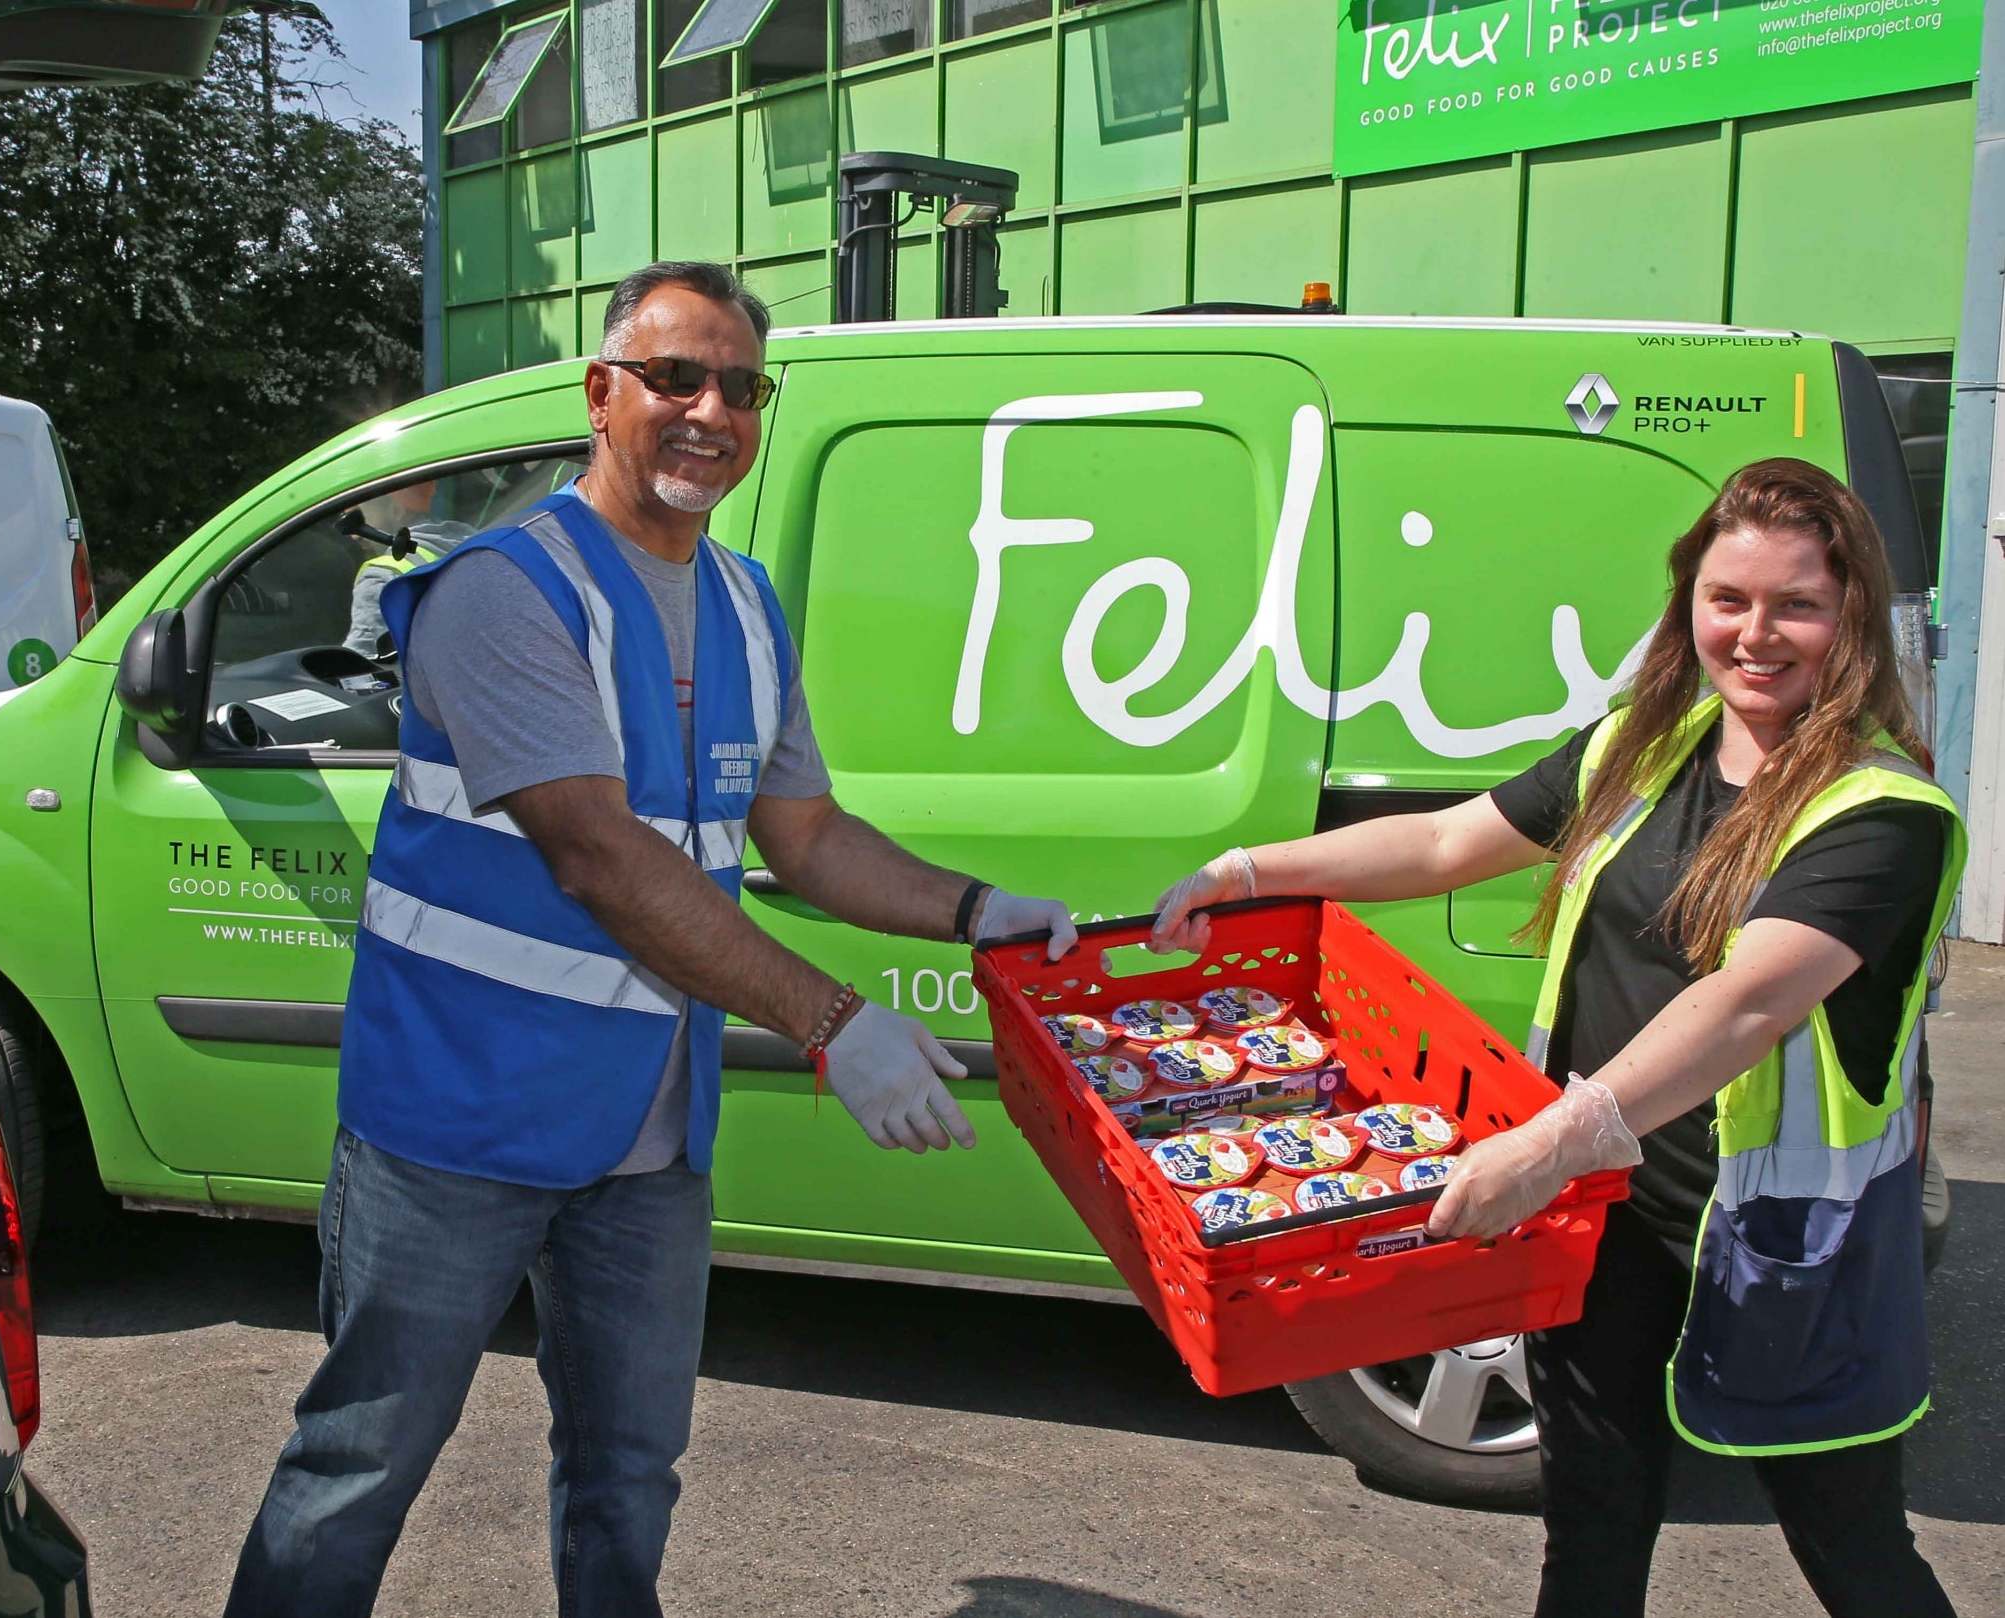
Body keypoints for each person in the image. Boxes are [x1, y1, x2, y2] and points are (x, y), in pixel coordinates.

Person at [226, 260, 1076, 1618]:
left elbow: (803, 835)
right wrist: (835, 1021)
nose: (711, 410)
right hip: (457, 1126)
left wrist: (975, 910)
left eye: (741, 385)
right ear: (601, 391)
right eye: (676, 376)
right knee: (358, 1457)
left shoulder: (744, 602)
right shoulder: (502, 592)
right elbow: (599, 854)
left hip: (649, 1141)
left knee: (629, 1472)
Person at [1152, 459, 1964, 1618]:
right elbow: (1443, 844)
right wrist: (1250, 872)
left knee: (1851, 1544)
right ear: (1689, 598)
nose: (1757, 633)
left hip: (1785, 1245)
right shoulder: (1642, 747)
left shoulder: (1883, 811)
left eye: (1799, 605)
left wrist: (1547, 1142)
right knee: (1590, 1516)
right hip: (1609, 1224)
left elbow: (1746, 1001)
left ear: (1849, 621)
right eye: (1729, 598)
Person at [342, 480, 475, 657]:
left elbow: (358, 669)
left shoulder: (380, 579)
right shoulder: (464, 535)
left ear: (396, 511)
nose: (353, 536)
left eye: (356, 521)